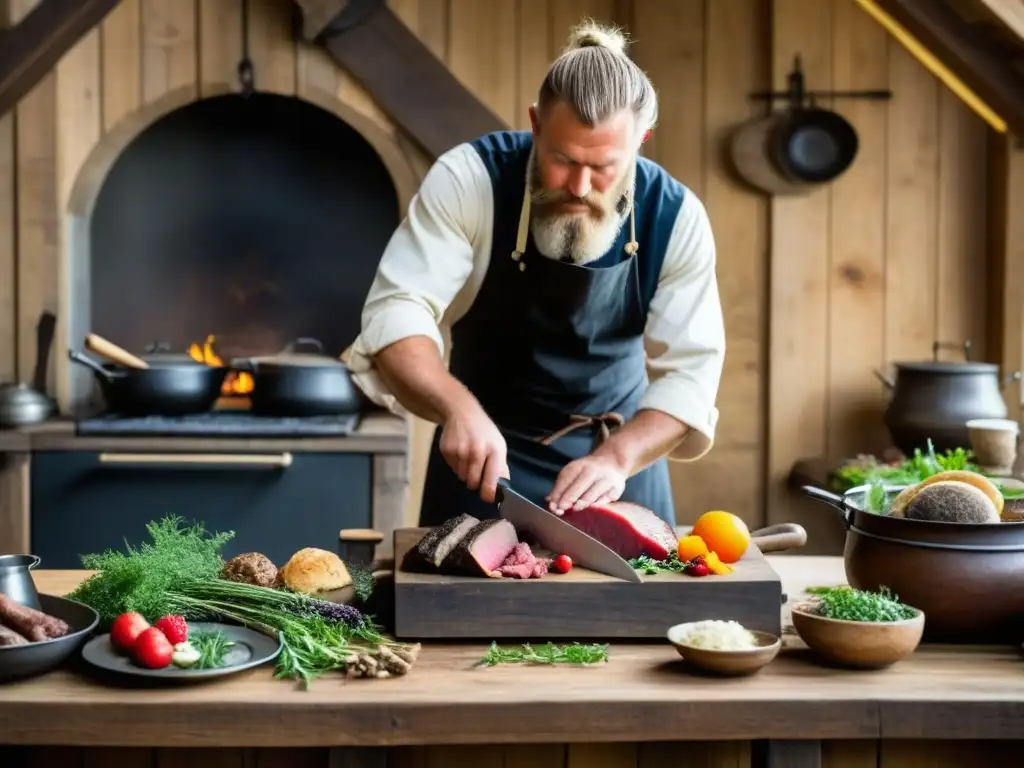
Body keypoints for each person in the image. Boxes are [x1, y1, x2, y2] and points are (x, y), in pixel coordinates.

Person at [347, 20, 725, 529]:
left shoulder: (676, 216)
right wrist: (457, 408)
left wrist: (618, 458)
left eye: (604, 168)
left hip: (618, 465)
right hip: (485, 459)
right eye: (563, 160)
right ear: (536, 124)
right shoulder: (470, 180)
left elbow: (691, 373)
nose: (579, 186)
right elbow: (398, 310)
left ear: (642, 140)